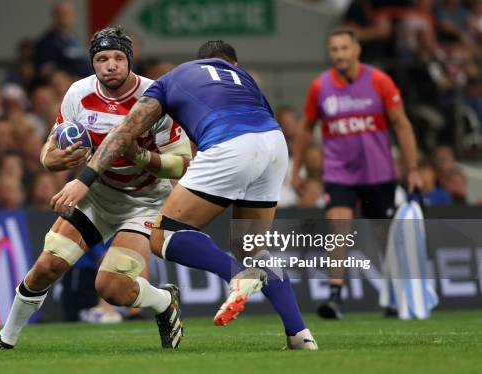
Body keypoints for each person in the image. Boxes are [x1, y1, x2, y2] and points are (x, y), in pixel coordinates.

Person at [51, 40, 318, 350]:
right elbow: (262, 124)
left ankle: (236, 275)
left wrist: (84, 179)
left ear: (201, 62)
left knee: (163, 235)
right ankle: (299, 334)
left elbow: (123, 133)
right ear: (230, 63)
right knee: (252, 247)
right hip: (274, 145)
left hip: (229, 142)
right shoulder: (243, 78)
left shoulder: (174, 78)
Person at [0, 27, 191, 352]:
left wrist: (141, 157)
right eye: (102, 58)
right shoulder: (78, 93)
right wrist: (55, 159)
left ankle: (162, 300)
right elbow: (49, 151)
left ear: (130, 60)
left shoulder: (154, 96)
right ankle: (6, 339)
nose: (111, 65)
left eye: (118, 57)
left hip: (144, 202)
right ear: (93, 63)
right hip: (96, 197)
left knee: (112, 288)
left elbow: (183, 163)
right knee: (46, 266)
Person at [291, 26, 422, 320]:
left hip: (379, 173)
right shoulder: (320, 87)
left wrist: (412, 168)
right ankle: (335, 296)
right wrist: (296, 167)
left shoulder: (379, 81)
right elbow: (304, 129)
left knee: (384, 236)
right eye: (334, 49)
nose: (339, 54)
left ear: (356, 49)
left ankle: (393, 296)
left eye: (344, 48)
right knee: (339, 230)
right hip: (339, 173)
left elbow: (402, 125)